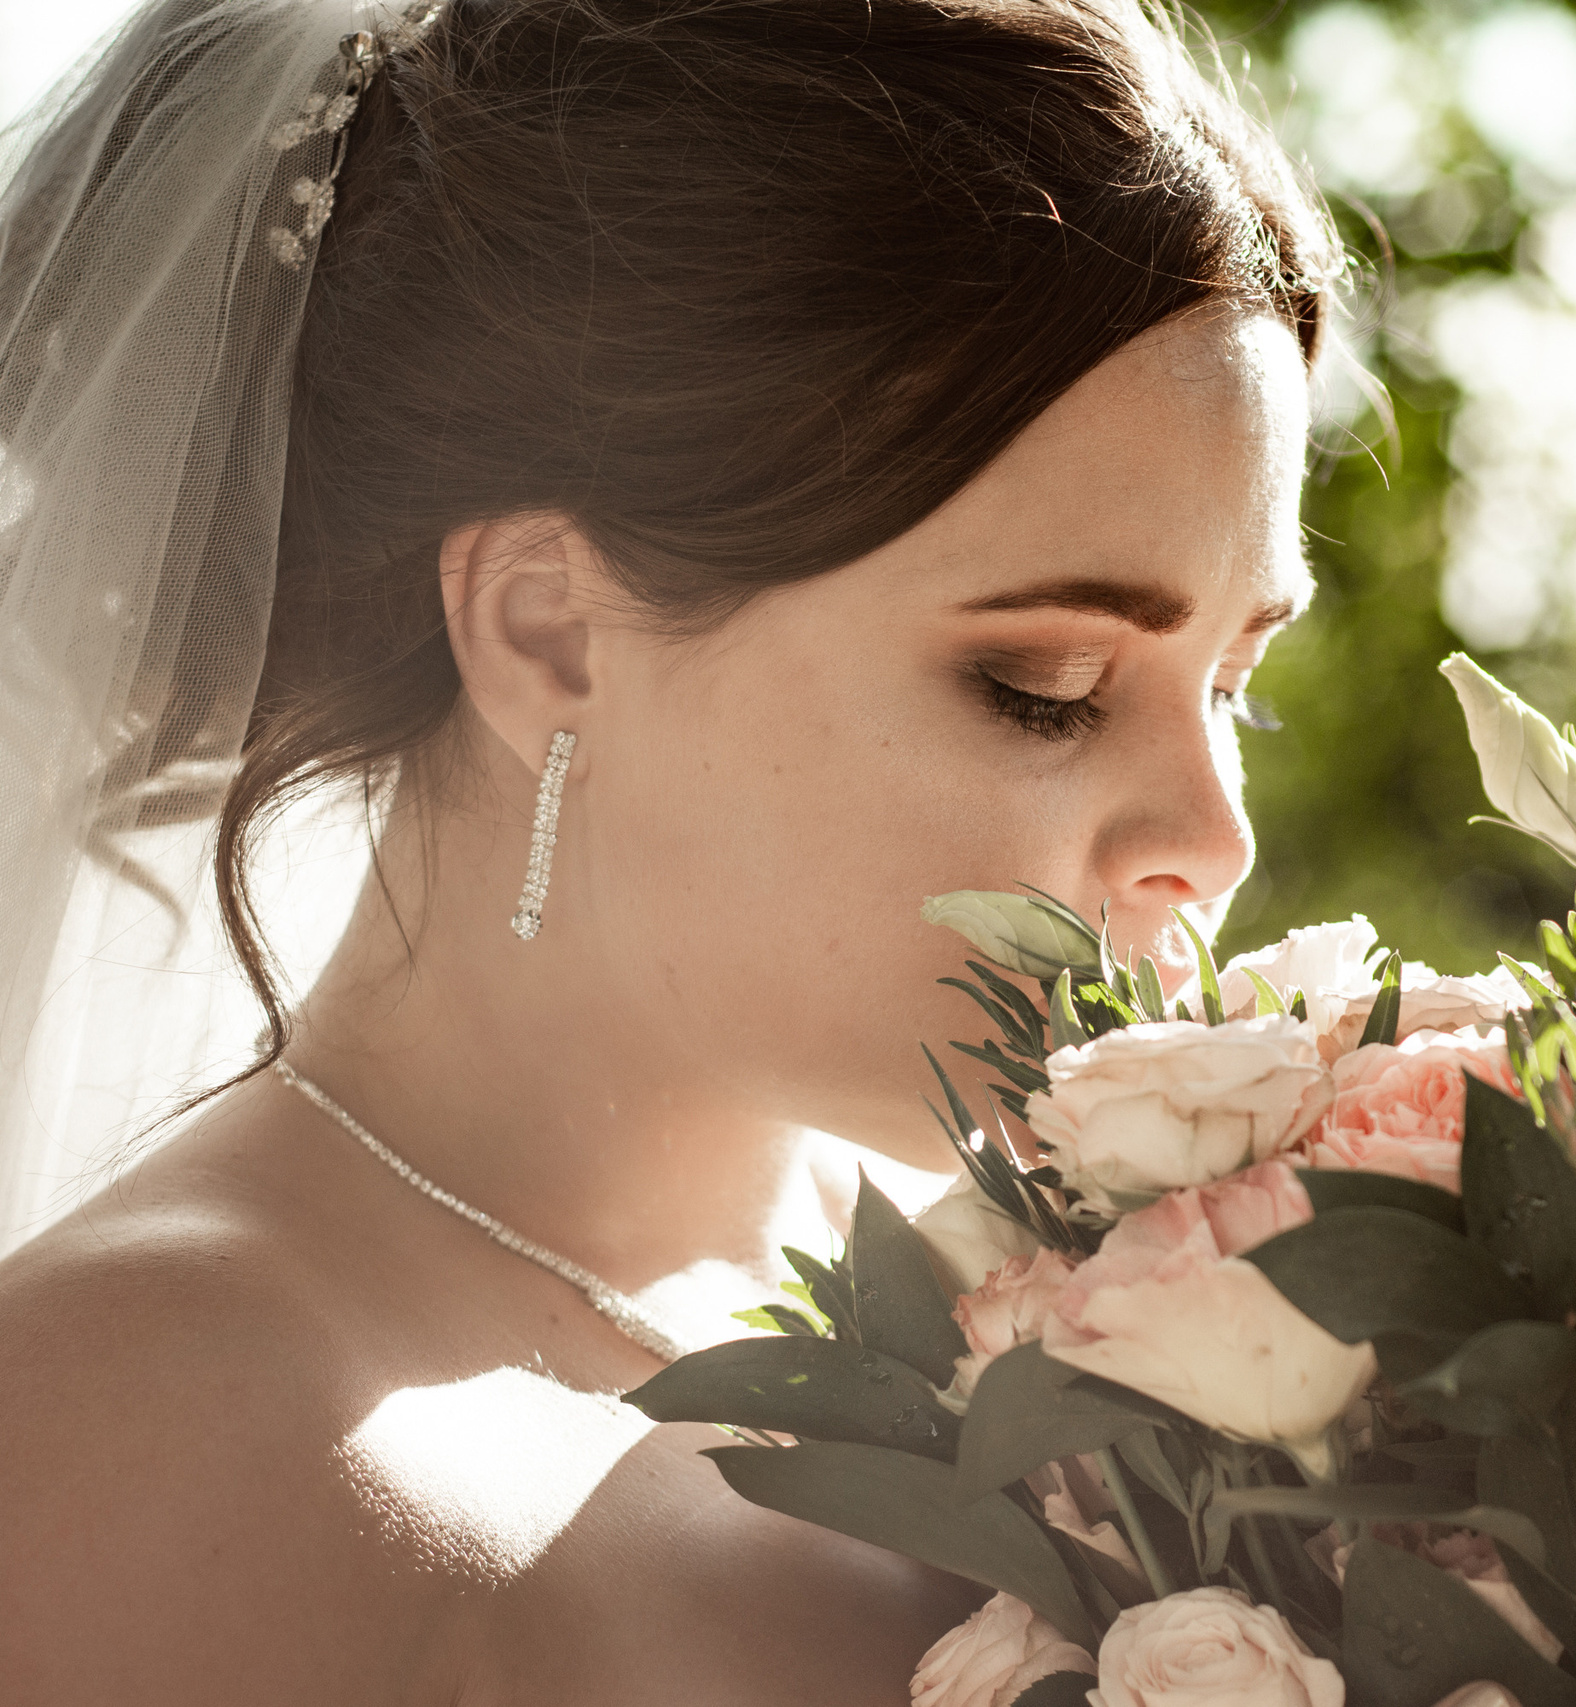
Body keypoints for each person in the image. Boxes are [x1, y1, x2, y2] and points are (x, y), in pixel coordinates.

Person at [0, 0, 1334, 1697]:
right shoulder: (139, 1433)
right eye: (1044, 688)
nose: (1213, 842)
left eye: (1236, 685)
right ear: (550, 632)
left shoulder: (1130, 1339)